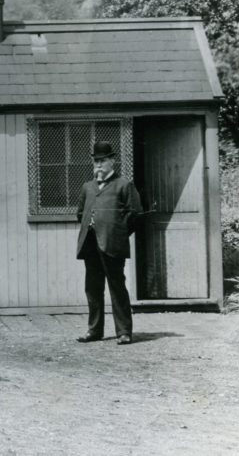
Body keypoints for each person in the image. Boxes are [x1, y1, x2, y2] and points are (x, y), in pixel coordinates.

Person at [75, 141, 143, 345]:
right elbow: (80, 214)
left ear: (112, 161)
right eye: (96, 161)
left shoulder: (124, 185)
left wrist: (119, 233)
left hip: (113, 245)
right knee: (93, 289)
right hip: (91, 245)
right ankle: (94, 330)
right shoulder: (88, 187)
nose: (99, 165)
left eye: (103, 160)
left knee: (117, 287)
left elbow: (136, 214)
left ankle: (124, 332)